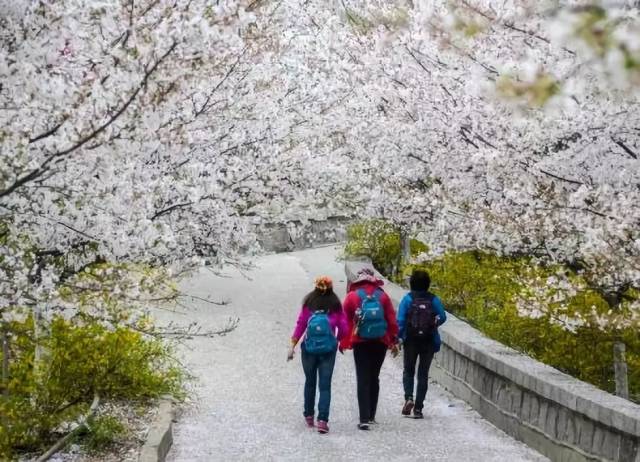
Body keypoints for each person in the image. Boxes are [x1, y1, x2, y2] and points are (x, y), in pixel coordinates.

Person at [340, 268, 399, 430]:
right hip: (380, 341)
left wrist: (344, 342)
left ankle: (364, 418)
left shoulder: (352, 297)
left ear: (358, 280)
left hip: (361, 341)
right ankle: (372, 415)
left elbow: (345, 322)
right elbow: (392, 321)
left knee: (363, 377)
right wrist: (394, 340)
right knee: (374, 376)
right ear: (373, 279)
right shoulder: (383, 296)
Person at [288, 276, 347, 434]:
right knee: (325, 385)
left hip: (309, 349)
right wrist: (338, 340)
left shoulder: (309, 303)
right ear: (331, 288)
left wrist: (293, 345)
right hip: (328, 350)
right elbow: (344, 328)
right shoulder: (335, 305)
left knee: (310, 382)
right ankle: (322, 420)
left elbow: (301, 324)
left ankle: (308, 415)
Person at [397, 269, 447, 419]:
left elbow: (400, 321)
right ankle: (418, 408)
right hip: (429, 340)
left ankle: (409, 398)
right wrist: (433, 324)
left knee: (408, 370)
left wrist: (398, 337)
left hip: (411, 340)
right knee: (423, 374)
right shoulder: (433, 299)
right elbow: (443, 316)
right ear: (427, 284)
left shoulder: (407, 299)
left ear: (412, 283)